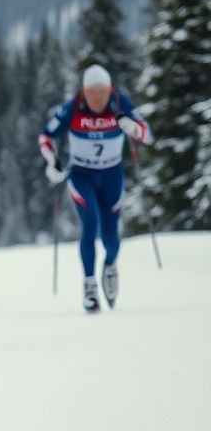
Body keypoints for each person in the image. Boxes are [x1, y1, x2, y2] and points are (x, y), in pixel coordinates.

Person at [38, 64, 152, 312]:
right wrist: (52, 162)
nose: (97, 98)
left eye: (102, 91)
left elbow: (147, 134)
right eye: (92, 92)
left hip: (111, 176)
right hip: (81, 175)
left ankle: (110, 266)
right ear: (84, 92)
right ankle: (89, 286)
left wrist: (132, 128)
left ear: (109, 90)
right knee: (90, 224)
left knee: (111, 236)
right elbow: (46, 135)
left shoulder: (119, 102)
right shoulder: (72, 107)